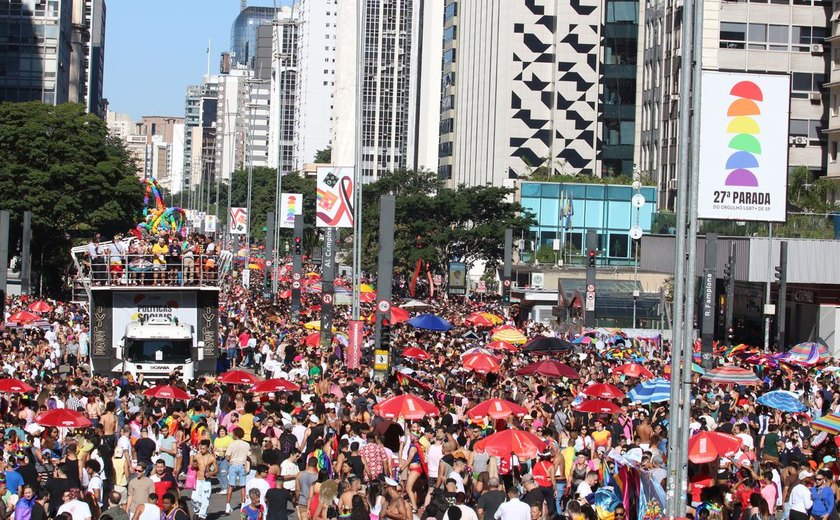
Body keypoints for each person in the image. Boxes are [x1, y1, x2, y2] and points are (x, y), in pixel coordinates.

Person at [189, 440, 217, 520]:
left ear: (208, 448)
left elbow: (216, 469)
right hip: (197, 480)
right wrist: (194, 466)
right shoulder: (197, 456)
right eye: (201, 448)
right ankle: (197, 510)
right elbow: (192, 466)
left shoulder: (212, 458)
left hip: (206, 481)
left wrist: (210, 473)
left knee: (205, 499)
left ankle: (202, 515)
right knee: (194, 498)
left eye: (203, 449)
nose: (201, 450)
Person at [226, 427, 251, 514]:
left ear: (235, 435)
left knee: (230, 486)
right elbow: (249, 455)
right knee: (243, 486)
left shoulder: (232, 444)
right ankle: (243, 506)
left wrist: (230, 461)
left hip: (233, 465)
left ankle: (228, 505)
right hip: (242, 465)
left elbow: (227, 456)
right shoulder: (246, 445)